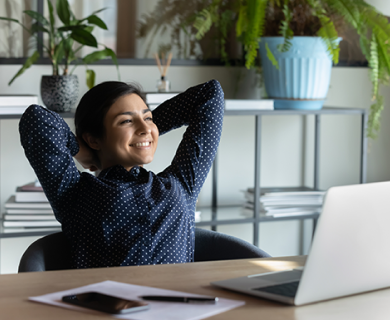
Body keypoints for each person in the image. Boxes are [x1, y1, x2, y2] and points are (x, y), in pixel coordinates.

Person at [19, 79, 224, 269]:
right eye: (126, 121)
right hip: (103, 307)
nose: (145, 127)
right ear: (93, 139)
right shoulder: (73, 192)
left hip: (181, 304)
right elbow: (37, 119)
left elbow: (210, 94)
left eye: (148, 117)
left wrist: (146, 131)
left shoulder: (182, 182)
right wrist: (81, 150)